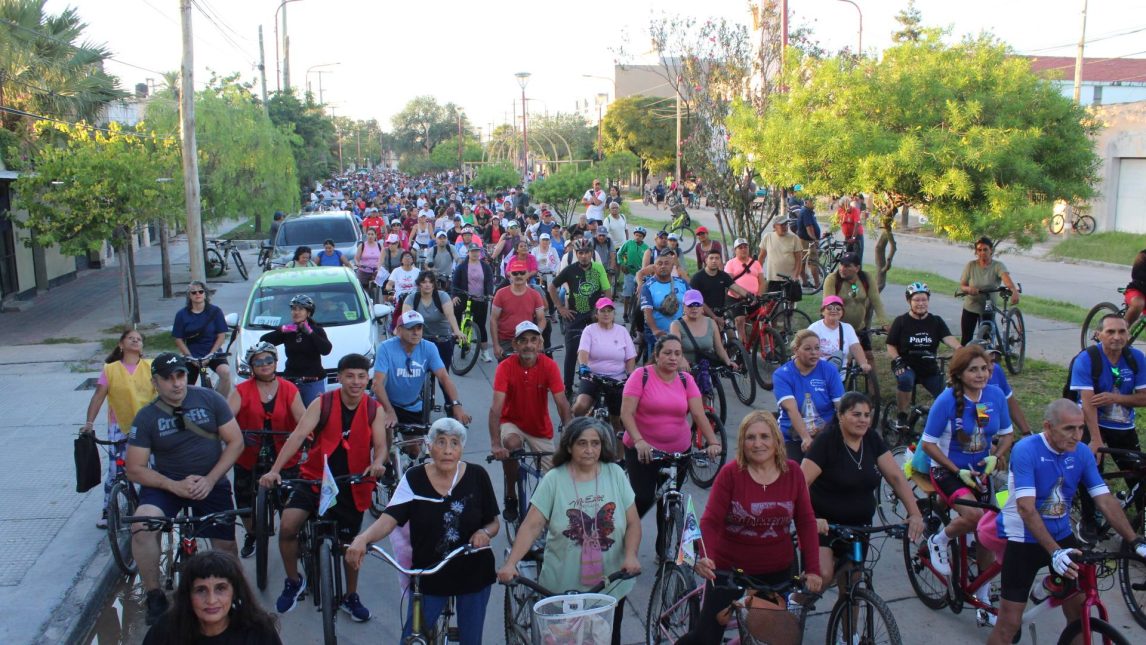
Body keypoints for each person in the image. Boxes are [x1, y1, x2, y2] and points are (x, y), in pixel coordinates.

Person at [986, 400, 1146, 645]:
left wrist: (1134, 540)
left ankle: (1050, 586)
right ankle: (1046, 585)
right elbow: (1026, 509)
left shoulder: (1081, 452)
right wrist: (1055, 553)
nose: (1077, 436)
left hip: (1061, 535)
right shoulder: (1026, 449)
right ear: (1048, 427)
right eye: (1069, 429)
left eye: (1081, 428)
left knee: (1079, 613)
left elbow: (1104, 498)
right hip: (1024, 538)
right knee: (1009, 625)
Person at [346, 419, 499, 645]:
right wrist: (363, 538)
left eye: (454, 443)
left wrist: (484, 533)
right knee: (411, 638)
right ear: (429, 446)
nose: (447, 450)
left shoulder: (477, 476)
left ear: (462, 448)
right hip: (429, 573)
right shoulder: (414, 478)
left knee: (471, 640)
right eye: (441, 442)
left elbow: (493, 522)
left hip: (473, 571)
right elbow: (390, 517)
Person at [259, 353, 387, 621]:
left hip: (351, 483)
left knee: (351, 545)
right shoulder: (322, 403)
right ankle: (294, 581)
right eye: (349, 376)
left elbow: (381, 447)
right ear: (338, 377)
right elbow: (296, 437)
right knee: (288, 526)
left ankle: (351, 596)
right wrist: (275, 470)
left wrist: (378, 463)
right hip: (315, 477)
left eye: (361, 376)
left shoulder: (374, 409)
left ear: (368, 379)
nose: (355, 382)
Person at [676, 411, 822, 645]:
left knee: (776, 638)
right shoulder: (731, 474)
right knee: (707, 638)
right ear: (742, 442)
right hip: (729, 570)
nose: (758, 444)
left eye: (765, 436)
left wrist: (812, 568)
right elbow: (711, 521)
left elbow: (805, 521)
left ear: (776, 440)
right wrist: (706, 557)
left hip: (778, 572)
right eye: (750, 437)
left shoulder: (793, 472)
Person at [496, 417, 641, 645]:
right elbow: (532, 525)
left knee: (609, 638)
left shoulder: (615, 473)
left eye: (595, 443)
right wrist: (511, 562)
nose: (589, 450)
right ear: (569, 446)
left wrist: (631, 555)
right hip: (562, 589)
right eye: (582, 443)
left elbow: (633, 522)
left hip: (610, 585)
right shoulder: (554, 479)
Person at [125, 353, 244, 625]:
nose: (176, 383)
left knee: (226, 544)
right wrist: (173, 485)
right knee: (143, 525)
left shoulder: (210, 399)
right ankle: (154, 593)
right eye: (168, 378)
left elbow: (235, 442)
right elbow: (135, 468)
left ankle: (233, 594)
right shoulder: (146, 417)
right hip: (167, 484)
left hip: (210, 482)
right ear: (155, 382)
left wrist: (212, 479)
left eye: (180, 376)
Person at [800, 393, 924, 606]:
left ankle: (850, 638)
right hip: (824, 524)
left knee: (852, 585)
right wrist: (810, 519)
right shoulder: (826, 442)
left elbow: (895, 477)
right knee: (823, 575)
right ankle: (793, 606)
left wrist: (914, 513)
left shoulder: (871, 439)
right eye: (856, 414)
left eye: (867, 415)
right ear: (840, 416)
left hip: (860, 526)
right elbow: (800, 484)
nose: (863, 420)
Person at [619, 335, 720, 555]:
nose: (673, 358)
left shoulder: (685, 380)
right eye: (667, 353)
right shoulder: (641, 375)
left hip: (678, 451)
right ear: (656, 355)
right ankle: (623, 536)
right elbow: (626, 413)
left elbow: (698, 413)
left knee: (670, 496)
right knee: (644, 496)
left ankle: (662, 550)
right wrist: (639, 441)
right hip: (643, 450)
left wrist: (712, 441)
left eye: (677, 353)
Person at [921, 344, 1014, 577]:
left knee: (987, 532)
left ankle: (981, 595)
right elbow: (928, 443)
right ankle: (938, 541)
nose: (981, 374)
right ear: (960, 373)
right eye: (973, 370)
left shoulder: (995, 396)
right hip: (947, 471)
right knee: (974, 517)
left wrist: (996, 455)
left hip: (980, 472)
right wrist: (955, 470)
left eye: (985, 368)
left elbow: (1007, 434)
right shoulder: (946, 400)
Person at [1069, 313, 1146, 542]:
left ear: (1128, 334)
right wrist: (1096, 440)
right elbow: (1088, 403)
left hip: (1123, 425)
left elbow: (1143, 398)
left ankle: (1138, 520)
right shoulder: (1087, 359)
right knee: (1091, 469)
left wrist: (1116, 398)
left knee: (1138, 471)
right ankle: (1089, 519)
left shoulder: (1136, 358)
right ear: (1098, 334)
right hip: (1090, 422)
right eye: (1110, 331)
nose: (1116, 337)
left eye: (1122, 331)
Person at [226, 342, 305, 558]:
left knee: (291, 500)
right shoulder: (241, 390)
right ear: (251, 366)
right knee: (244, 499)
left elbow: (302, 419)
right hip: (249, 454)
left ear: (276, 362)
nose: (264, 365)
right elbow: (226, 419)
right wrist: (237, 434)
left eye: (268, 360)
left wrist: (305, 436)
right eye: (258, 361)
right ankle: (252, 532)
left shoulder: (289, 388)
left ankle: (292, 535)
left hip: (284, 454)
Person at [488, 321, 572, 522]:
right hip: (512, 422)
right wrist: (495, 444)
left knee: (554, 479)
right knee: (512, 446)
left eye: (534, 340)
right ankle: (511, 494)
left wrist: (569, 437)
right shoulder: (505, 367)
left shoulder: (549, 366)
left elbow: (562, 403)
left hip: (539, 427)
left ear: (540, 344)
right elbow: (496, 409)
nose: (528, 345)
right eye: (523, 341)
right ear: (515, 345)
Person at [82, 329, 154, 529]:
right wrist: (89, 424)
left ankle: (154, 504)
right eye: (131, 338)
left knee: (155, 467)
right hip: (120, 425)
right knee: (115, 471)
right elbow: (98, 396)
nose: (135, 340)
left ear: (142, 347)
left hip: (148, 425)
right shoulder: (110, 369)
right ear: (121, 344)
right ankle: (108, 510)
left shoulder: (150, 367)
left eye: (139, 339)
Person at [141, 550, 282, 645]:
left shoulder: (258, 631)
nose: (211, 600)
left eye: (220, 588)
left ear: (235, 591)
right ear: (187, 594)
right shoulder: (165, 632)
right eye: (201, 590)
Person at [372, 310, 471, 428]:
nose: (416, 332)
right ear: (399, 330)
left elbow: (444, 378)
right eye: (410, 328)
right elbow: (377, 384)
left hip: (412, 405)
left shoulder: (429, 348)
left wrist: (456, 405)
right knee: (386, 439)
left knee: (415, 445)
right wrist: (389, 411)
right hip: (386, 403)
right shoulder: (385, 348)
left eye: (419, 328)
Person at [887, 282, 961, 427]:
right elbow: (890, 344)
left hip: (929, 367)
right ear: (909, 301)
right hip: (906, 364)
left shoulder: (936, 321)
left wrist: (959, 347)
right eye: (916, 300)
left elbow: (947, 338)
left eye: (924, 300)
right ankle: (902, 415)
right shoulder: (901, 321)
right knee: (905, 379)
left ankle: (938, 420)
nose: (921, 303)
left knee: (946, 393)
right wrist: (897, 359)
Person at [550, 238, 612, 395]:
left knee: (598, 351)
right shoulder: (570, 269)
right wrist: (560, 308)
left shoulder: (598, 268)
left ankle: (595, 383)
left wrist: (604, 311)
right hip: (574, 316)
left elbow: (607, 291)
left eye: (587, 252)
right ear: (576, 254)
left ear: (592, 253)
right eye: (580, 253)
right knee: (571, 352)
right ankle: (568, 388)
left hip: (594, 316)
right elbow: (552, 287)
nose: (584, 256)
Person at [774, 329, 846, 461]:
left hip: (825, 433)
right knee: (795, 471)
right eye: (807, 349)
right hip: (793, 436)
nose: (814, 352)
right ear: (796, 350)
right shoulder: (782, 374)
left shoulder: (829, 370)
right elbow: (792, 409)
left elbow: (841, 407)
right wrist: (805, 437)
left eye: (817, 348)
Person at [571, 297, 636, 431]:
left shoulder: (622, 331)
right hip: (592, 376)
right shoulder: (590, 330)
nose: (606, 314)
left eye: (609, 311)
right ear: (596, 314)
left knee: (619, 421)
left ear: (613, 314)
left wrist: (630, 375)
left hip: (617, 379)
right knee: (581, 406)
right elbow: (583, 351)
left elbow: (630, 357)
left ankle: (619, 452)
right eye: (603, 311)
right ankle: (572, 429)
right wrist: (583, 366)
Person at [258, 294, 332, 407]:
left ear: (308, 313)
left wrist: (310, 333)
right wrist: (283, 330)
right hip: (291, 379)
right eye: (293, 309)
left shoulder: (317, 330)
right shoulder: (289, 331)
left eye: (300, 309)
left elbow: (326, 350)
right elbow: (264, 341)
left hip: (313, 380)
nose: (296, 312)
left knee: (314, 414)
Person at [822, 252, 888, 371]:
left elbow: (876, 301)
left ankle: (873, 388)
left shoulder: (866, 278)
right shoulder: (832, 279)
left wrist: (884, 323)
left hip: (859, 327)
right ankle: (842, 385)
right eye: (841, 264)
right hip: (838, 328)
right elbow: (829, 305)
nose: (842, 268)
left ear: (857, 268)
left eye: (847, 266)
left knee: (868, 356)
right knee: (844, 360)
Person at [172, 281, 231, 394]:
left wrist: (211, 354)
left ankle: (221, 402)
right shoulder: (181, 314)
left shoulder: (215, 311)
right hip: (192, 356)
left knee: (226, 372)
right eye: (193, 292)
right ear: (189, 296)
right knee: (183, 383)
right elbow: (178, 339)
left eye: (200, 291)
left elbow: (221, 336)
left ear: (205, 294)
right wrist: (189, 356)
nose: (197, 294)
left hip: (213, 353)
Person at [958, 236, 1020, 345]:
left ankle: (989, 357)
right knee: (966, 339)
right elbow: (962, 285)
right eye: (979, 250)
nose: (982, 252)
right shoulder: (971, 265)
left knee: (987, 339)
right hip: (971, 305)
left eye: (985, 249)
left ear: (991, 250)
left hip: (988, 304)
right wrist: (969, 289)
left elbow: (1006, 279)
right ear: (976, 252)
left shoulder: (998, 266)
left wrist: (1013, 290)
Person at [403, 270, 464, 375]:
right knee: (414, 372)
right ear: (419, 284)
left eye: (430, 282)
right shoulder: (412, 298)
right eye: (424, 282)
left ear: (434, 284)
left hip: (442, 337)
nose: (427, 285)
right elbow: (406, 319)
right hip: (420, 339)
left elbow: (450, 315)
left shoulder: (442, 296)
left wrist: (457, 331)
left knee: (443, 376)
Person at [490, 258, 547, 360]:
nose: (519, 276)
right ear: (510, 275)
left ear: (527, 274)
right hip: (506, 341)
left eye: (522, 273)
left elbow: (541, 319)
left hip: (527, 340)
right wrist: (496, 345)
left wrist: (538, 334)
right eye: (515, 273)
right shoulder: (500, 294)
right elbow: (493, 320)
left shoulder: (535, 294)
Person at [670, 289, 737, 373]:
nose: (694, 308)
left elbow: (719, 347)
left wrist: (728, 361)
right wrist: (681, 360)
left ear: (702, 308)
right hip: (685, 370)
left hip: (707, 369)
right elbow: (675, 349)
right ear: (684, 306)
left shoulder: (711, 323)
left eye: (697, 304)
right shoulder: (676, 325)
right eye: (690, 305)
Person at [638, 249, 689, 356]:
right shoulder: (647, 286)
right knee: (653, 364)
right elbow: (647, 312)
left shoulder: (682, 283)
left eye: (667, 263)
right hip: (657, 334)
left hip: (680, 334)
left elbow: (695, 302)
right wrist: (655, 330)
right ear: (654, 267)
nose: (663, 266)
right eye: (659, 264)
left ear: (672, 267)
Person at [451, 244, 495, 363]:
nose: (475, 253)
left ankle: (484, 352)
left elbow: (490, 281)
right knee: (456, 310)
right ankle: (456, 334)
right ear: (468, 253)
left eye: (477, 251)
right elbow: (454, 283)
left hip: (480, 298)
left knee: (480, 325)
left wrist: (489, 293)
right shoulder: (462, 267)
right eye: (473, 251)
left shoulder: (485, 267)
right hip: (465, 296)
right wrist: (454, 296)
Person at [807, 295, 870, 373]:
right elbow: (805, 348)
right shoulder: (814, 328)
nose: (834, 310)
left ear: (842, 313)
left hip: (839, 374)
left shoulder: (847, 328)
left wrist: (863, 363)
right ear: (823, 311)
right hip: (818, 373)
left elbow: (855, 347)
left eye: (838, 308)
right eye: (829, 308)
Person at [756, 217, 802, 294]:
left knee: (790, 304)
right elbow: (761, 257)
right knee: (772, 304)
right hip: (773, 278)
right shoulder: (768, 237)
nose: (785, 227)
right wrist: (758, 274)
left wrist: (795, 275)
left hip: (790, 279)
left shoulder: (794, 238)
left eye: (786, 224)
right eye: (782, 225)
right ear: (774, 227)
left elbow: (799, 260)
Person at [616, 227, 649, 321]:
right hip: (629, 272)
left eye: (640, 236)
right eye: (636, 235)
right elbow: (619, 254)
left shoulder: (646, 248)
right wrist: (622, 263)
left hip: (640, 274)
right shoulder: (628, 243)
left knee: (639, 295)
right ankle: (625, 313)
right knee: (627, 294)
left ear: (643, 237)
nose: (638, 237)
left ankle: (636, 314)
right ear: (634, 235)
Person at [794, 198, 821, 287]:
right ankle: (817, 284)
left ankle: (805, 282)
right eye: (813, 201)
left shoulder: (807, 211)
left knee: (802, 261)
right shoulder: (806, 212)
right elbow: (809, 228)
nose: (814, 204)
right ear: (807, 202)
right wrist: (815, 239)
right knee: (813, 262)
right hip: (807, 241)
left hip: (804, 240)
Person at [354, 228, 384, 294]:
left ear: (375, 235)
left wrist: (380, 267)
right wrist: (358, 264)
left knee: (378, 290)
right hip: (364, 271)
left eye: (372, 234)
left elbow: (383, 258)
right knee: (362, 290)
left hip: (376, 272)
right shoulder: (362, 246)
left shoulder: (379, 246)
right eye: (369, 234)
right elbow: (356, 258)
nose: (370, 236)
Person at [837, 197, 865, 262]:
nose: (842, 208)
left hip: (857, 236)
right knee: (847, 257)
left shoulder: (855, 211)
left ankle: (857, 271)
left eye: (843, 206)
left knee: (857, 258)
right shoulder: (840, 210)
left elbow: (857, 225)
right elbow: (836, 222)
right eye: (841, 206)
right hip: (847, 236)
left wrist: (853, 238)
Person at [1123, 249, 1146, 327]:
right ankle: (1122, 331)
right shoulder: (1143, 255)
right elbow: (1136, 275)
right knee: (1138, 304)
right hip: (1137, 290)